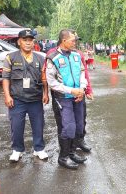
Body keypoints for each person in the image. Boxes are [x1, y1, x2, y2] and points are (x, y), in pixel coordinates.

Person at [2, 30, 49, 162]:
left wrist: (46, 93)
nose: (28, 43)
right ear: (19, 42)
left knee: (38, 125)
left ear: (34, 42)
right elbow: (5, 78)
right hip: (17, 99)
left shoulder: (41, 58)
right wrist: (7, 96)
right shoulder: (10, 57)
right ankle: (17, 150)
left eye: (31, 40)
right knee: (16, 125)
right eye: (25, 40)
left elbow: (45, 79)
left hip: (35, 98)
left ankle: (39, 149)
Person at [46, 29, 88, 169]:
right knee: (68, 127)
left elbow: (82, 74)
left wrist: (82, 89)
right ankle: (63, 157)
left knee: (78, 127)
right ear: (64, 41)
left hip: (78, 96)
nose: (75, 42)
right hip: (63, 97)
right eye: (72, 40)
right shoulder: (53, 57)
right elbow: (51, 82)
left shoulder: (76, 55)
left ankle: (71, 153)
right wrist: (71, 90)